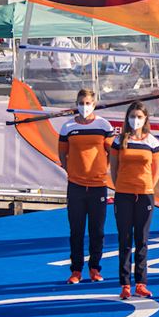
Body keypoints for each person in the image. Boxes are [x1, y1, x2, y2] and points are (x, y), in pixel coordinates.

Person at [58, 89, 113, 284]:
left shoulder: (103, 125)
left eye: (88, 103)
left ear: (94, 103)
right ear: (76, 103)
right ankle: (76, 270)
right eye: (81, 102)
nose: (85, 106)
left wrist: (101, 171)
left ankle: (95, 268)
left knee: (97, 230)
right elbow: (62, 154)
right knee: (76, 230)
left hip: (98, 186)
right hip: (76, 186)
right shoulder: (68, 127)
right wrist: (72, 172)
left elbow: (111, 153)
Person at [109, 101, 159, 300]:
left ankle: (141, 283)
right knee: (125, 240)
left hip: (145, 194)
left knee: (142, 239)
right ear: (127, 118)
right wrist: (121, 186)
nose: (136, 120)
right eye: (132, 116)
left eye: (139, 116)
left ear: (145, 118)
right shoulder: (119, 141)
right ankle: (125, 284)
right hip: (123, 194)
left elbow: (157, 171)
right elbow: (113, 168)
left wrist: (147, 187)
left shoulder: (153, 142)